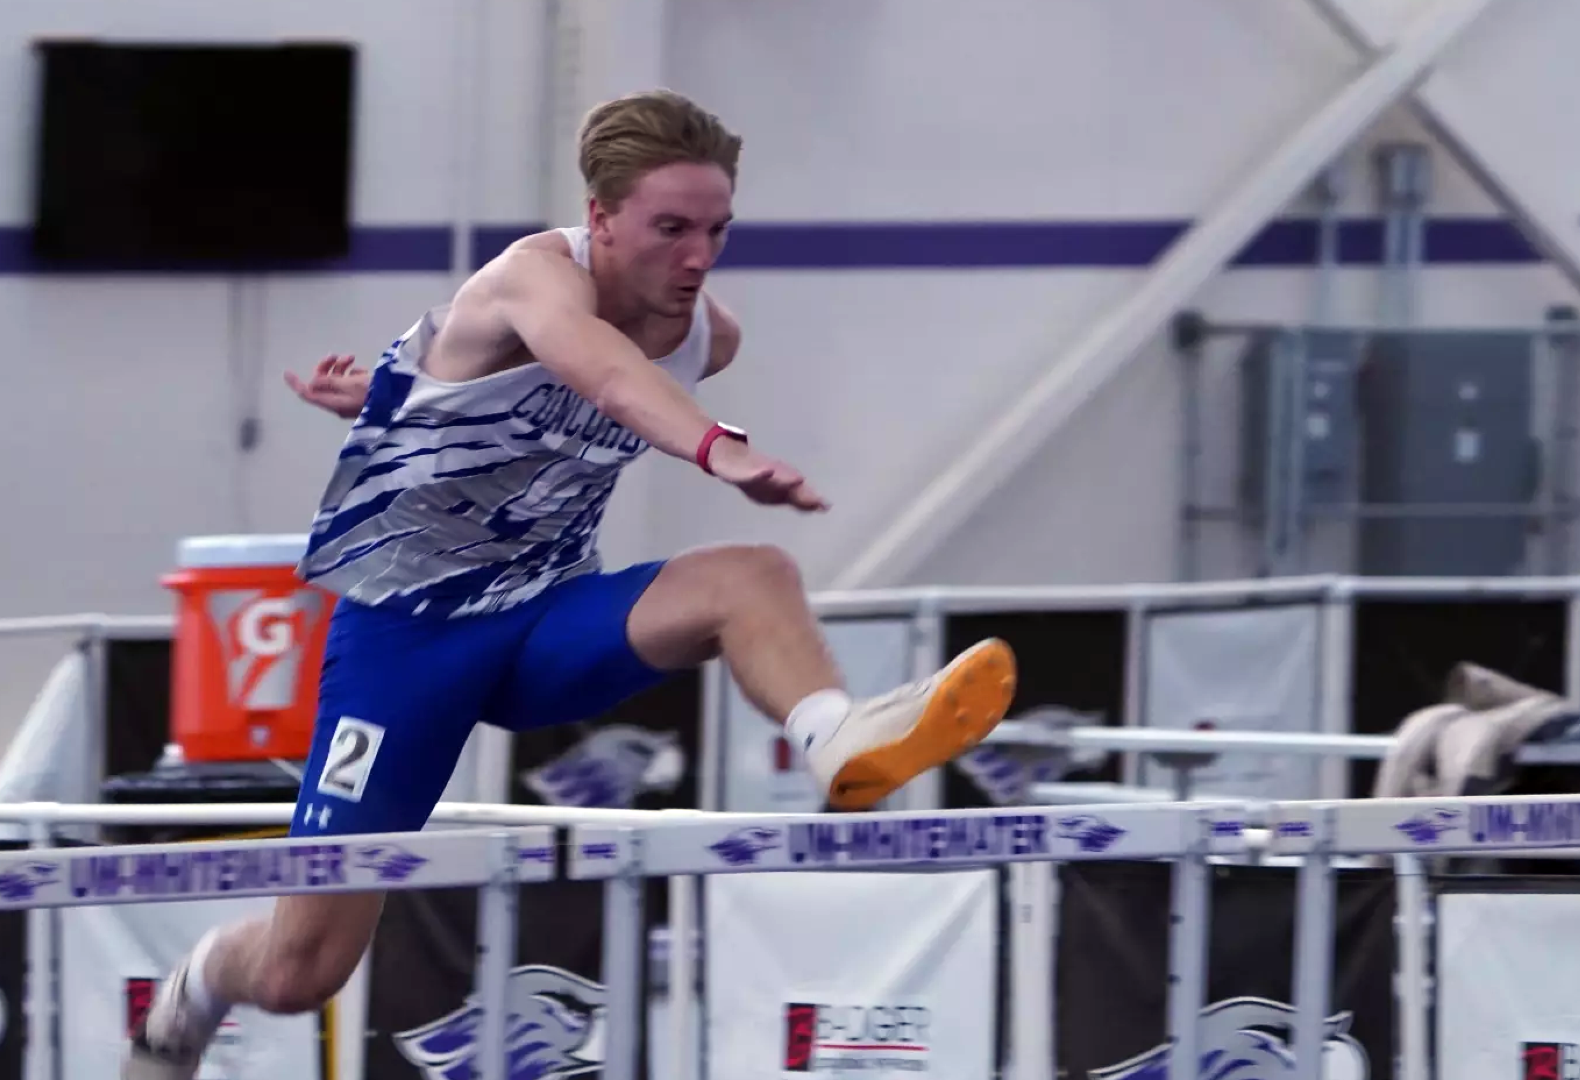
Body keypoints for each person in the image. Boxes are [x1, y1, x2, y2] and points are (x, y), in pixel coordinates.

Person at [123, 88, 1017, 1079]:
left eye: (716, 229)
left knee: (752, 575)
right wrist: (716, 450)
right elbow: (602, 378)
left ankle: (837, 737)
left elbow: (481, 396)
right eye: (669, 229)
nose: (697, 257)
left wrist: (385, 404)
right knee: (302, 972)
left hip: (547, 622)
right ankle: (192, 990)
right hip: (406, 646)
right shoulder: (530, 279)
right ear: (599, 220)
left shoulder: (706, 335)